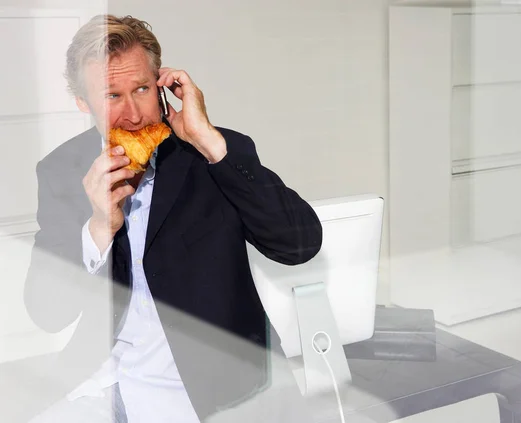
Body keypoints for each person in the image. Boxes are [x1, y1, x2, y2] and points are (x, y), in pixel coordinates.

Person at [22, 14, 322, 423]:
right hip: (103, 379)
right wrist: (97, 228)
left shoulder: (212, 152)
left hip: (208, 385)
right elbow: (46, 311)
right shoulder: (62, 170)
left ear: (163, 84)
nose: (133, 114)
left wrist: (210, 142)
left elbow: (299, 244)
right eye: (111, 96)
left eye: (142, 89)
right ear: (83, 104)